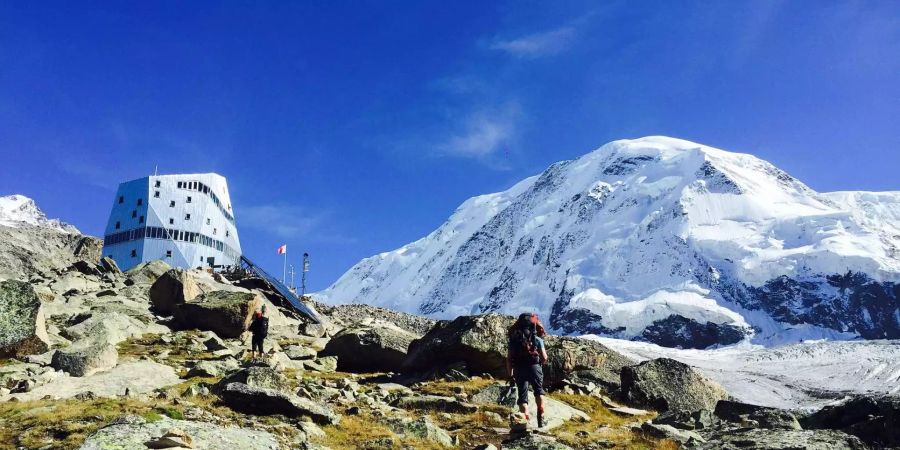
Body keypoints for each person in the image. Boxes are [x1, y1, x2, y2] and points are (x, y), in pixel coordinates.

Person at [506, 312, 548, 428]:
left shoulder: (514, 341)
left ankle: (526, 422)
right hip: (535, 367)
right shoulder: (538, 339)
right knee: (539, 391)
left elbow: (509, 359)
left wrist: (510, 375)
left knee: (522, 397)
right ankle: (541, 417)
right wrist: (540, 364)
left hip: (519, 368)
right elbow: (544, 357)